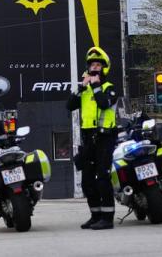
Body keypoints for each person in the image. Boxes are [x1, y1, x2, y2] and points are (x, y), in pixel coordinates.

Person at [67, 46, 118, 230]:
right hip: (88, 139)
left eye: (98, 64)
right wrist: (81, 88)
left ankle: (107, 218)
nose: (94, 67)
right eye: (92, 64)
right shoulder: (86, 90)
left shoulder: (108, 88)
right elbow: (70, 106)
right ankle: (95, 215)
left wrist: (95, 86)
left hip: (105, 138)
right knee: (88, 180)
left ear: (104, 68)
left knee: (102, 178)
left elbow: (104, 104)